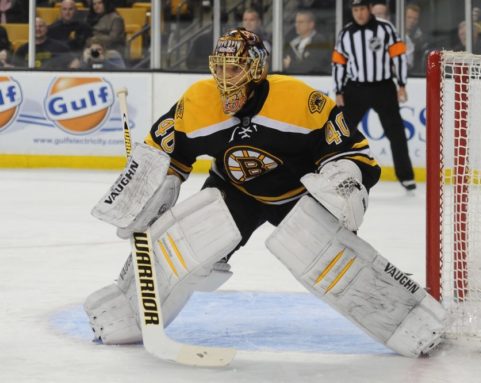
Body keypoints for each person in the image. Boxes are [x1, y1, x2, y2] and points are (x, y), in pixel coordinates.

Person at [83, 27, 447, 357]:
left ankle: (411, 319)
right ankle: (127, 309)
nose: (225, 79)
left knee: (321, 252)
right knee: (185, 237)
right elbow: (162, 151)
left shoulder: (297, 100)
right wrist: (144, 194)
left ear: (256, 69)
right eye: (220, 68)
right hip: (233, 190)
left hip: (296, 196)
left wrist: (343, 181)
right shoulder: (198, 102)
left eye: (235, 69)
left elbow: (349, 150)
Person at [332, 0, 416, 192]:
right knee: (342, 132)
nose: (359, 13)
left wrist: (401, 84)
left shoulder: (385, 28)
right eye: (355, 10)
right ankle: (335, 172)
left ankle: (406, 176)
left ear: (369, 9)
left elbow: (399, 56)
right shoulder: (346, 33)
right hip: (355, 88)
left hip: (383, 87)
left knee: (396, 132)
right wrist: (338, 90)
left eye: (362, 9)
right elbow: (339, 63)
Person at [282, 9, 331, 75]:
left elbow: (311, 66)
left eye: (301, 22)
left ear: (311, 24)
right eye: (296, 22)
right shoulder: (292, 43)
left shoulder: (320, 42)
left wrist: (290, 64)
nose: (296, 25)